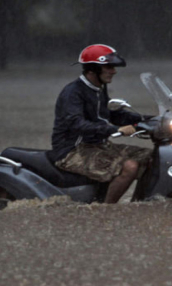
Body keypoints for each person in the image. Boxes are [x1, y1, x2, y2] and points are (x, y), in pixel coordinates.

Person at [47, 44, 152, 203]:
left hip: (98, 146)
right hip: (72, 150)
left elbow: (110, 113)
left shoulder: (99, 89)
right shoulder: (73, 92)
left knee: (152, 158)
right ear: (92, 69)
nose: (114, 71)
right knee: (129, 167)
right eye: (109, 67)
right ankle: (105, 211)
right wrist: (115, 130)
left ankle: (144, 203)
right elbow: (78, 124)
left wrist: (146, 119)